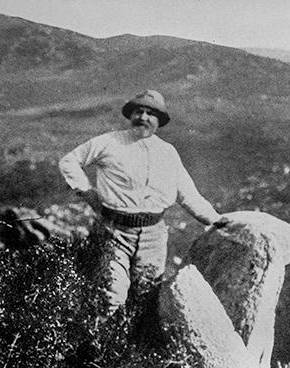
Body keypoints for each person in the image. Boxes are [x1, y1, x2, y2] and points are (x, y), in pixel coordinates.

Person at [59, 89, 228, 311]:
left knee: (145, 297)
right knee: (111, 296)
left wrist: (214, 219)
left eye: (151, 114)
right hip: (113, 232)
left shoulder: (167, 152)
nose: (143, 118)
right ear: (130, 115)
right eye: (139, 111)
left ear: (159, 121)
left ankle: (132, 344)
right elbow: (69, 161)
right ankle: (101, 343)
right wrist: (88, 193)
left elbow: (187, 194)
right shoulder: (109, 142)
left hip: (153, 237)